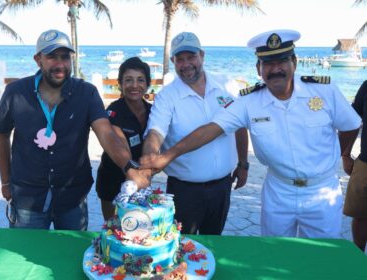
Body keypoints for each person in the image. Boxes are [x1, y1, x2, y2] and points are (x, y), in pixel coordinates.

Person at [140, 29, 361, 238]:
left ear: (294, 62)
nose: (275, 69)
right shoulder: (249, 101)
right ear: (258, 68)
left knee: (320, 256)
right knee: (275, 251)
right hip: (278, 190)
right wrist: (164, 157)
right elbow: (210, 130)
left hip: (321, 191)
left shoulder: (324, 90)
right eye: (267, 63)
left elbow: (351, 124)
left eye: (282, 61)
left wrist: (339, 155)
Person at [0, 29, 150, 230]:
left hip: (72, 198)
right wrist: (5, 181)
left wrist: (129, 168)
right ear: (38, 59)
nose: (60, 64)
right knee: (26, 254)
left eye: (65, 57)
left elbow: (106, 134)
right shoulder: (16, 92)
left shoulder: (87, 93)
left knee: (72, 257)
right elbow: (2, 135)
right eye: (52, 57)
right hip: (27, 198)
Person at [141, 31, 249, 235]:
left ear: (202, 55)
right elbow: (156, 131)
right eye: (180, 59)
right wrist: (150, 156)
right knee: (181, 247)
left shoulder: (227, 85)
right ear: (173, 60)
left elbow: (240, 126)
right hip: (184, 191)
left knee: (214, 242)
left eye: (191, 57)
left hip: (222, 187)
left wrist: (243, 163)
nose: (186, 64)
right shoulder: (167, 96)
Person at [96, 57, 152, 220]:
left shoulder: (153, 111)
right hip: (112, 182)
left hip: (142, 180)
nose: (135, 85)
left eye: (140, 80)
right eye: (128, 80)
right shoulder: (114, 111)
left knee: (141, 229)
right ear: (120, 84)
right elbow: (121, 147)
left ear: (147, 84)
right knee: (114, 230)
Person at [342, 80, 367, 252]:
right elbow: (352, 120)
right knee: (359, 216)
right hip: (365, 163)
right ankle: (358, 256)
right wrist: (345, 154)